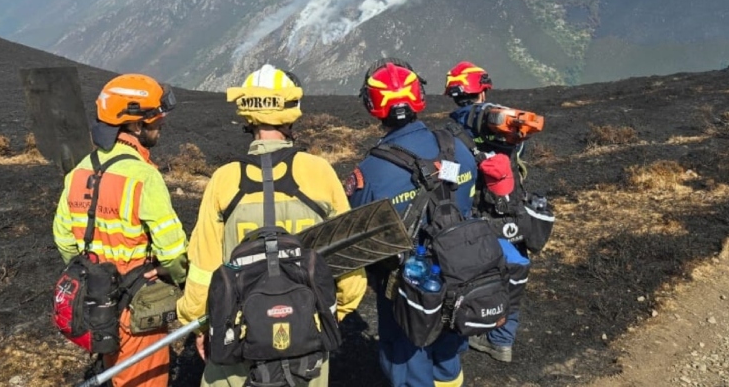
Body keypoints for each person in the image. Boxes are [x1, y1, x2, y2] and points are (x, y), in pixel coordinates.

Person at [177, 64, 368, 387]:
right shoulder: (319, 173)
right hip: (307, 334)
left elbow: (202, 270)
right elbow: (350, 269)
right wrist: (331, 314)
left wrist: (200, 325)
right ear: (291, 114)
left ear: (247, 117)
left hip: (239, 337)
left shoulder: (224, 181)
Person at [346, 58, 479, 387]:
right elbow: (470, 198)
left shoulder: (371, 172)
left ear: (371, 105)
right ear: (419, 95)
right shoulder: (458, 148)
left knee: (407, 357)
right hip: (461, 270)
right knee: (448, 356)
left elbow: (362, 235)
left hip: (407, 286)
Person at [53, 74, 189, 387]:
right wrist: (178, 279)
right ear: (136, 126)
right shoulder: (143, 177)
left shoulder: (79, 171)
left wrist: (92, 273)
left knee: (115, 372)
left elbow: (63, 239)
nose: (162, 124)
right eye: (156, 118)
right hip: (138, 303)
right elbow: (173, 252)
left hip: (95, 303)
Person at [444, 61, 534, 364]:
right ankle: (502, 341)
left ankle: (471, 330)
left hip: (475, 217)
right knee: (513, 275)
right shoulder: (506, 123)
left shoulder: (449, 132)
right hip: (509, 212)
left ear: (455, 95)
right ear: (482, 90)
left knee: (474, 279)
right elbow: (519, 156)